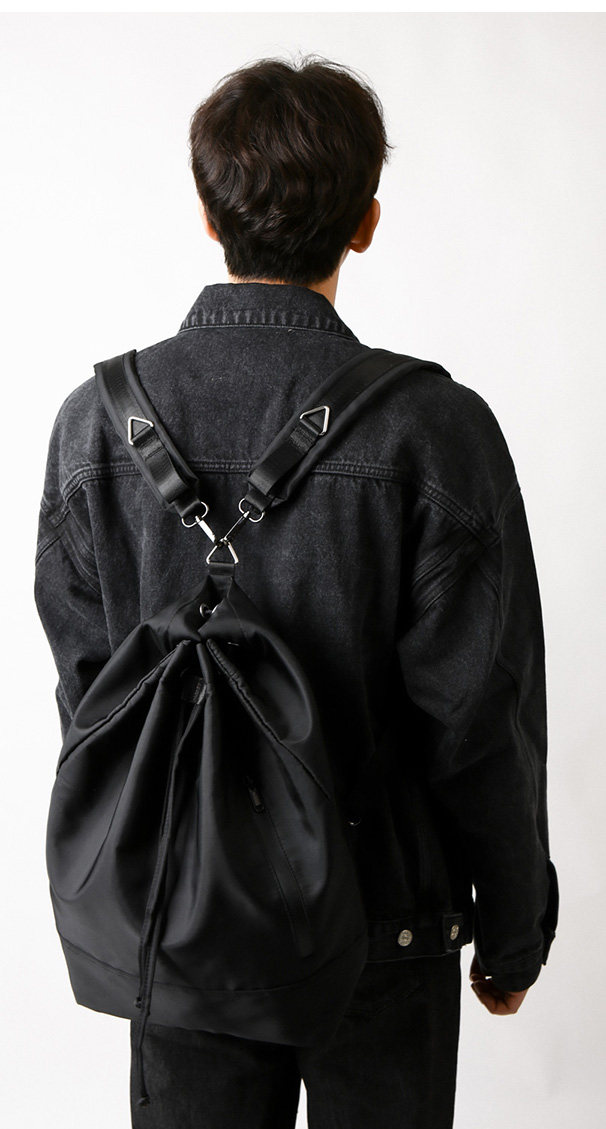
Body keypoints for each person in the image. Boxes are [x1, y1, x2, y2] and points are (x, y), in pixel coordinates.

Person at [34, 53, 558, 1129]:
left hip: (184, 920)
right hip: (385, 922)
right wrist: (514, 929)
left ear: (207, 211)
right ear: (365, 223)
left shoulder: (94, 425)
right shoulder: (437, 429)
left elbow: (92, 700)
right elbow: (480, 722)